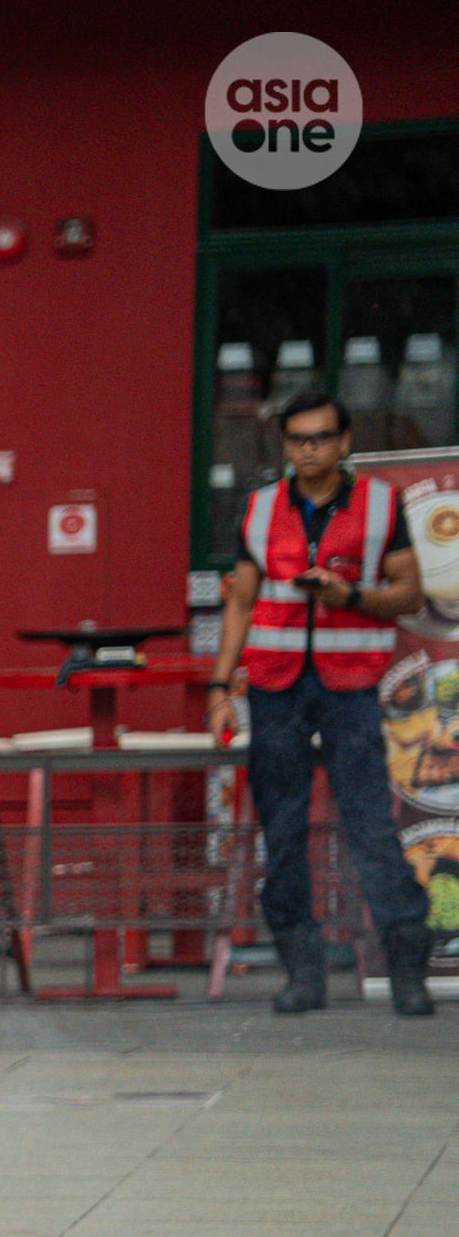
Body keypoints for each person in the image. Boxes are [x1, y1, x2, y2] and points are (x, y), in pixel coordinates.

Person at [210, 389, 435, 1017]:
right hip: (276, 687)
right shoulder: (258, 510)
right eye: (296, 439)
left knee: (369, 827)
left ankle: (407, 973)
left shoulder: (380, 504)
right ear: (285, 445)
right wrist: (220, 687)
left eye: (320, 438)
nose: (308, 449)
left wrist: (349, 597)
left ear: (344, 444)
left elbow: (411, 594)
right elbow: (240, 603)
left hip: (350, 685)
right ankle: (301, 973)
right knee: (281, 834)